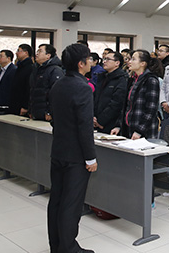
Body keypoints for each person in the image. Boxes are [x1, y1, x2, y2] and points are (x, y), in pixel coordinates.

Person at [47, 43, 97, 253]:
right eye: (89, 59)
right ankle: (68, 248)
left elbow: (54, 119)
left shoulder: (58, 84)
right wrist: (90, 158)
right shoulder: (83, 87)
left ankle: (56, 245)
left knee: (57, 201)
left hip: (58, 150)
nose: (91, 62)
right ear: (81, 63)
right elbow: (84, 127)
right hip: (76, 156)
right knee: (71, 204)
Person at [111, 50, 162, 139]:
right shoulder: (132, 80)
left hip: (144, 131)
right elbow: (126, 106)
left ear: (142, 63)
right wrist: (118, 125)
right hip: (129, 127)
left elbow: (151, 109)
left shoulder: (151, 80)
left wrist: (140, 130)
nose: (129, 62)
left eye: (133, 59)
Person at [93, 51, 127, 133]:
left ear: (117, 63)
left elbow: (116, 103)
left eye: (107, 59)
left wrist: (100, 121)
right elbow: (95, 98)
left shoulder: (122, 79)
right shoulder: (102, 77)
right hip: (96, 121)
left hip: (111, 124)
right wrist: (93, 117)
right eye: (104, 59)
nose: (104, 62)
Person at [30, 44, 63, 121]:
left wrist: (49, 112)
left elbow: (56, 93)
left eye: (40, 51)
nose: (37, 54)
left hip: (47, 115)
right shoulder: (37, 69)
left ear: (48, 55)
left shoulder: (55, 70)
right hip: (36, 112)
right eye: (37, 51)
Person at [10, 44, 34, 115]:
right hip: (15, 103)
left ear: (26, 53)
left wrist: (25, 106)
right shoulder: (19, 67)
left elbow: (28, 88)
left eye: (19, 51)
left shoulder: (30, 68)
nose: (16, 53)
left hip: (22, 105)